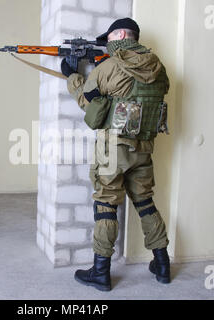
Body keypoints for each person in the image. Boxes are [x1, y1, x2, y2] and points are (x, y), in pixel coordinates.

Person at [61, 18, 171, 291]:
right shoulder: (159, 68)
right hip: (143, 148)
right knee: (145, 202)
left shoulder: (109, 67)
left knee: (106, 204)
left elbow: (87, 103)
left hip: (113, 149)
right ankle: (162, 264)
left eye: (109, 37)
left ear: (120, 34)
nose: (107, 43)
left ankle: (100, 272)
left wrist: (72, 76)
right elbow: (147, 94)